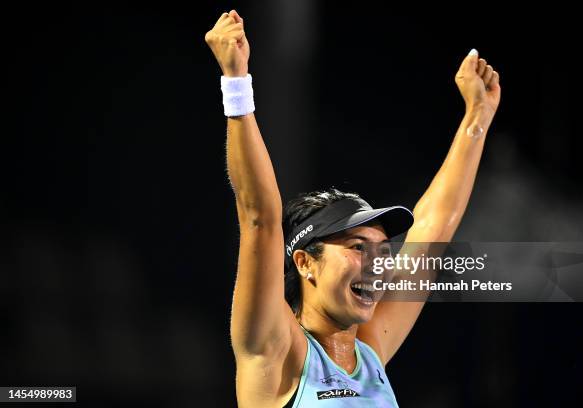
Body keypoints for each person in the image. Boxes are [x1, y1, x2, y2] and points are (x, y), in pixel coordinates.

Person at [204, 9, 500, 408]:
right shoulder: (276, 350)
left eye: (381, 251)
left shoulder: (370, 353)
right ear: (306, 262)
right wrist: (236, 82)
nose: (377, 264)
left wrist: (476, 119)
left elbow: (434, 227)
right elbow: (259, 217)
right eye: (358, 247)